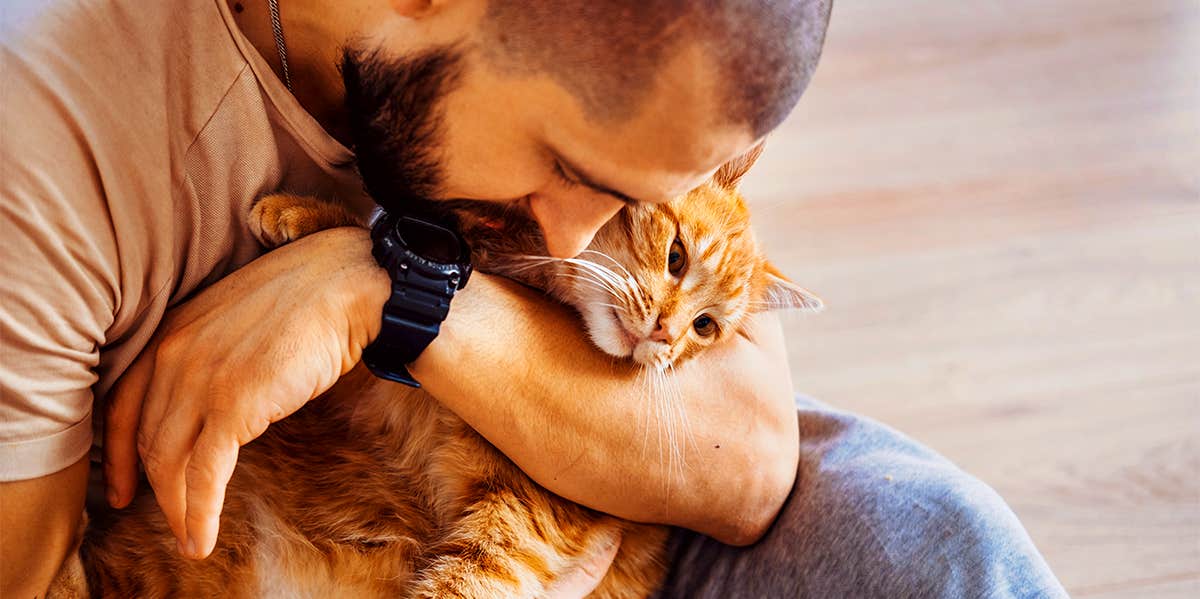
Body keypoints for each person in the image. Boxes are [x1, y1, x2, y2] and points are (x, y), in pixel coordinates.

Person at [0, 1, 1068, 597]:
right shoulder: (47, 132)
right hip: (234, 547)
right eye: (565, 167)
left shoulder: (644, 59)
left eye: (625, 200)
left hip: (549, 496)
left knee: (937, 542)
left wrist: (389, 294)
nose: (571, 237)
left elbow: (744, 461)